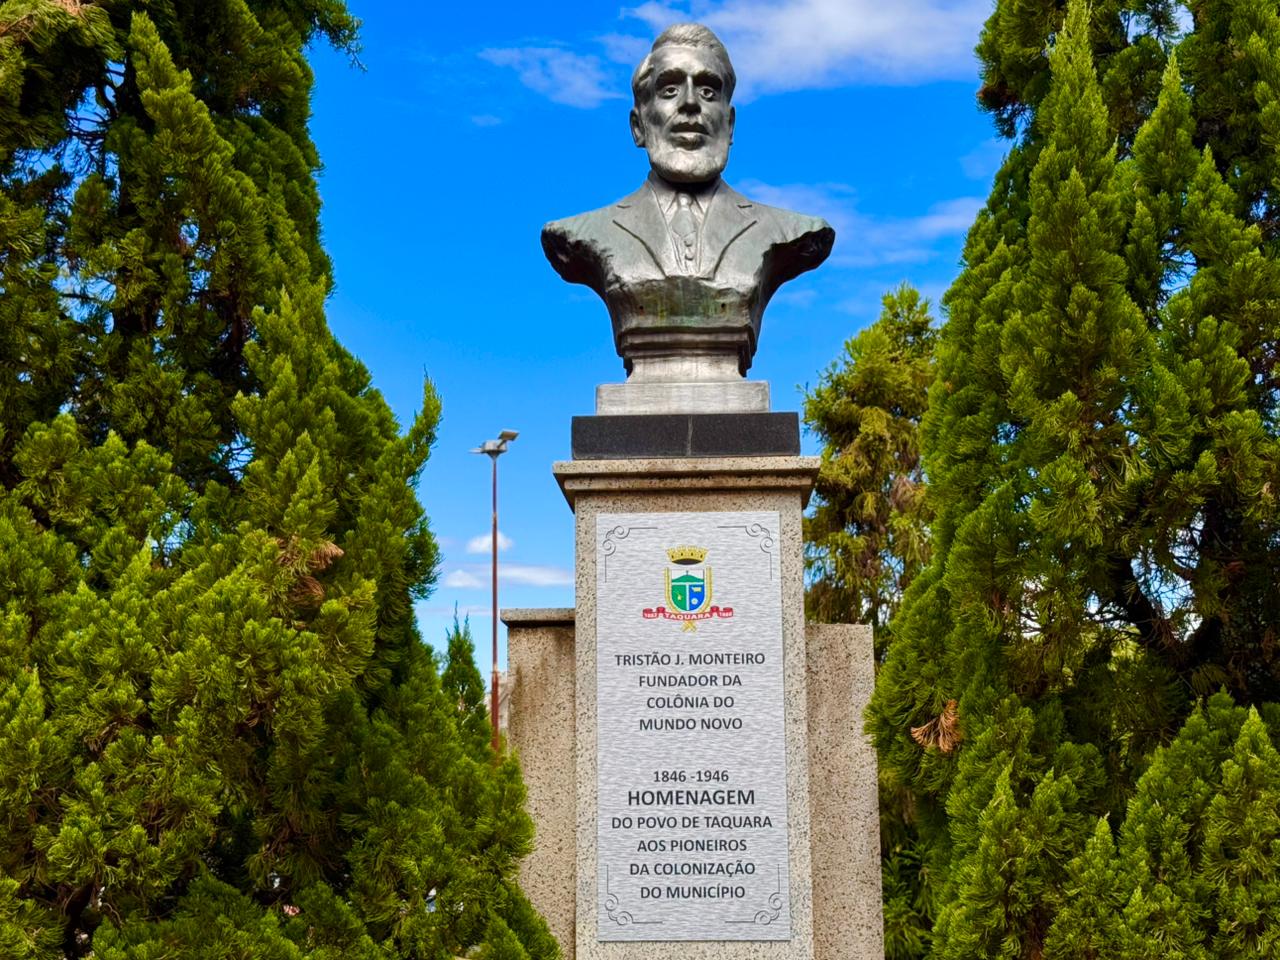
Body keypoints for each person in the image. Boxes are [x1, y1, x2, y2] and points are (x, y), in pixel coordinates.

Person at [542, 23, 834, 380]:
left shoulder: (787, 231)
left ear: (729, 125)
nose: (691, 103)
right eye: (669, 89)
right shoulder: (583, 233)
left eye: (709, 91)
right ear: (638, 125)